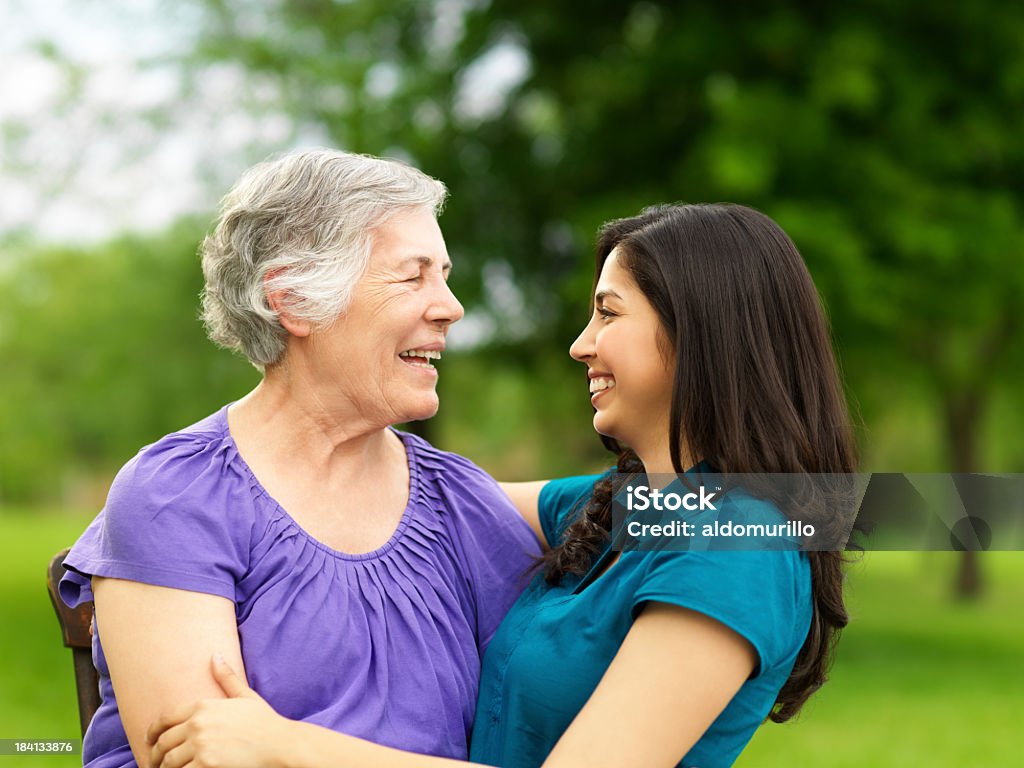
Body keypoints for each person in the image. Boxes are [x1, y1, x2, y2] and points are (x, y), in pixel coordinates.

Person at [146, 203, 857, 768]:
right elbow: (417, 496)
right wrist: (175, 500)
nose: (581, 343)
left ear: (702, 335)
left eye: (608, 313)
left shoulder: (738, 549)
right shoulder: (644, 511)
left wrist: (285, 747)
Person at [58, 148, 542, 768]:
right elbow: (203, 760)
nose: (452, 306)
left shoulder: (457, 500)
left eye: (444, 274)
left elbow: (687, 509)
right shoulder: (177, 496)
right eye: (413, 275)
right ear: (292, 299)